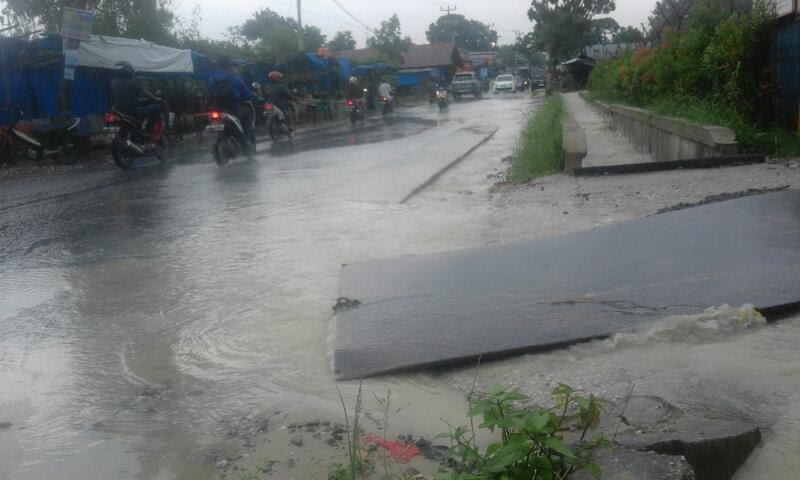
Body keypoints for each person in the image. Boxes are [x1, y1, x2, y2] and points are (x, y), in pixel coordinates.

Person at [207, 55, 257, 146]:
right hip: (234, 110)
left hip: (217, 110)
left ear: (217, 65)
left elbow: (210, 93)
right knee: (248, 112)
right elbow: (246, 95)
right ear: (229, 65)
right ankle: (247, 140)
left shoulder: (211, 79)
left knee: (213, 124)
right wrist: (254, 96)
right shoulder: (235, 79)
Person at [111, 61, 163, 134]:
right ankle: (149, 130)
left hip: (118, 111)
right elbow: (148, 94)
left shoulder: (113, 83)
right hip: (131, 112)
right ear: (129, 71)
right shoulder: (133, 83)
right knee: (156, 107)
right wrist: (157, 99)